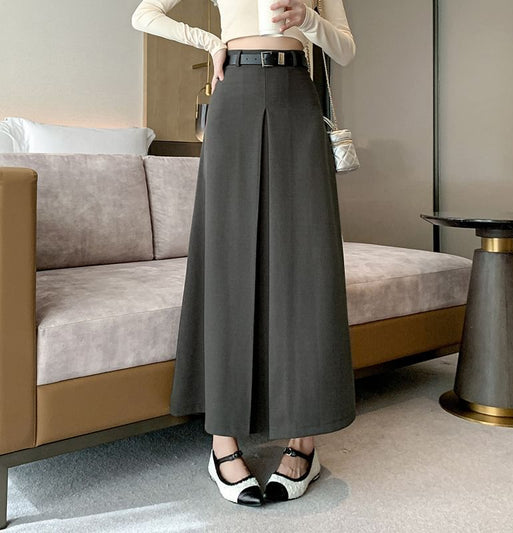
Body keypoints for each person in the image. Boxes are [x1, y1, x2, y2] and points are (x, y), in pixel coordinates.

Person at [131, 0, 357, 507]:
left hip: (297, 94)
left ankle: (304, 442)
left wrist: (308, 20)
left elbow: (344, 50)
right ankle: (223, 442)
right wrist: (212, 43)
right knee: (226, 261)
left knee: (306, 264)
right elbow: (145, 14)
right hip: (233, 96)